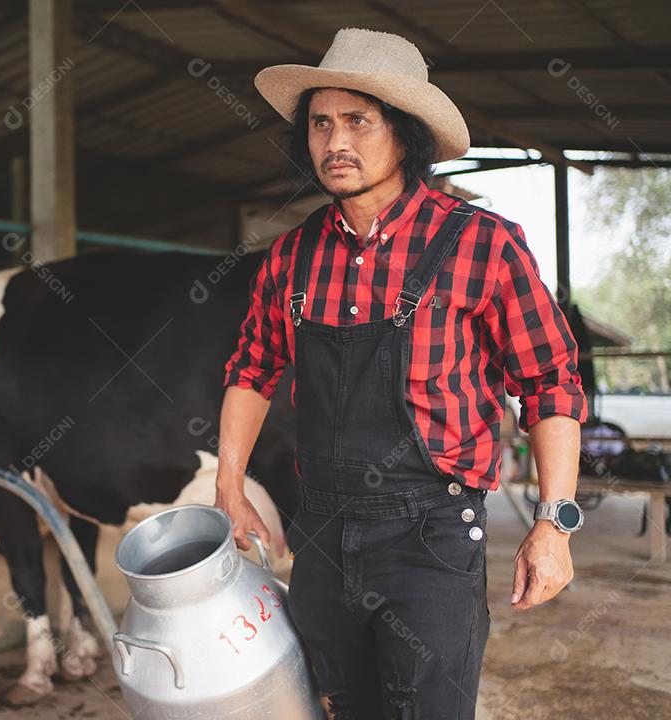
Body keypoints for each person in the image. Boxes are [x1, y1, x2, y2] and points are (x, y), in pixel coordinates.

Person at [214, 28, 588, 720]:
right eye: (321, 124)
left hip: (431, 533)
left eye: (358, 120)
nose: (335, 142)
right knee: (342, 707)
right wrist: (229, 482)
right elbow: (252, 367)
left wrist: (554, 524)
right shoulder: (291, 257)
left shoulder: (483, 243)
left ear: (406, 134)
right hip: (321, 529)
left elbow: (550, 382)